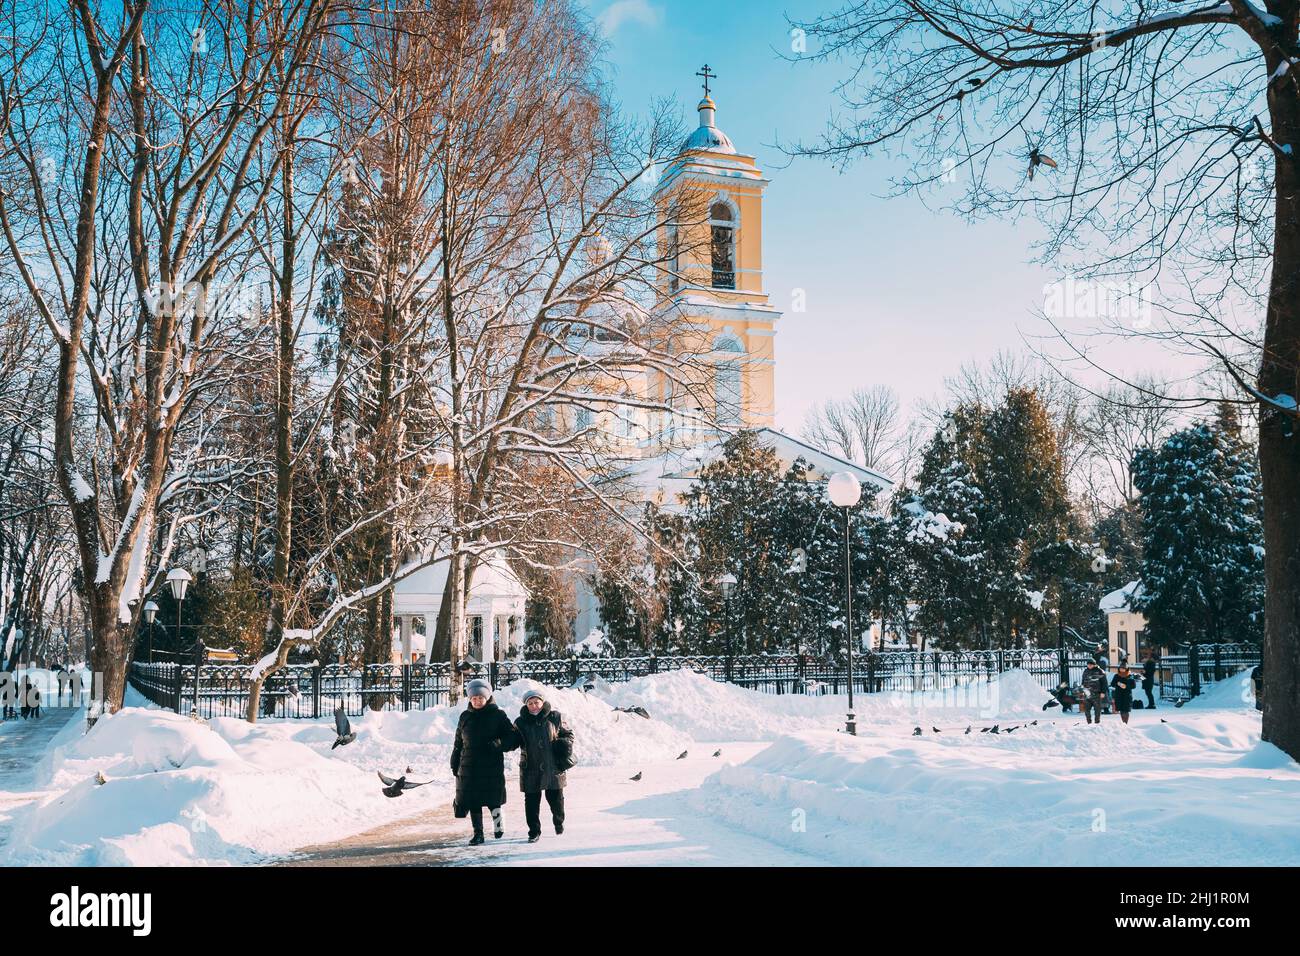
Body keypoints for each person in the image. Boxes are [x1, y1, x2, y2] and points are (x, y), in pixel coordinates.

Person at [450, 678, 519, 846]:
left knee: (493, 800)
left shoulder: (498, 715)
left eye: (480, 698)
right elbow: (458, 742)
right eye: (473, 698)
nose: (477, 701)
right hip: (469, 766)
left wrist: (499, 744)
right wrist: (454, 761)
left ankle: (498, 825)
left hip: (491, 765)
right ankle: (478, 833)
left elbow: (513, 737)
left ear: (487, 697)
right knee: (473, 801)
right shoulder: (465, 716)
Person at [513, 688, 574, 843]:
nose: (534, 706)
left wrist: (565, 744)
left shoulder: (555, 717)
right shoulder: (520, 722)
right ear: (526, 705)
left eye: (536, 702)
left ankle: (558, 821)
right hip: (530, 766)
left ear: (542, 702)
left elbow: (568, 734)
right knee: (532, 802)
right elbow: (513, 740)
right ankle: (534, 831)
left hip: (552, 765)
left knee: (556, 799)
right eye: (530, 703)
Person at [1080, 658, 1108, 725]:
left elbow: (1104, 683)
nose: (1089, 665)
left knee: (1097, 710)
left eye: (1091, 664)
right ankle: (1089, 723)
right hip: (1087, 694)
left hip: (1097, 694)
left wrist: (1103, 692)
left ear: (1094, 664)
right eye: (1088, 664)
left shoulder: (1100, 671)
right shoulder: (1085, 671)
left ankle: (1096, 723)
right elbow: (1083, 681)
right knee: (1086, 710)